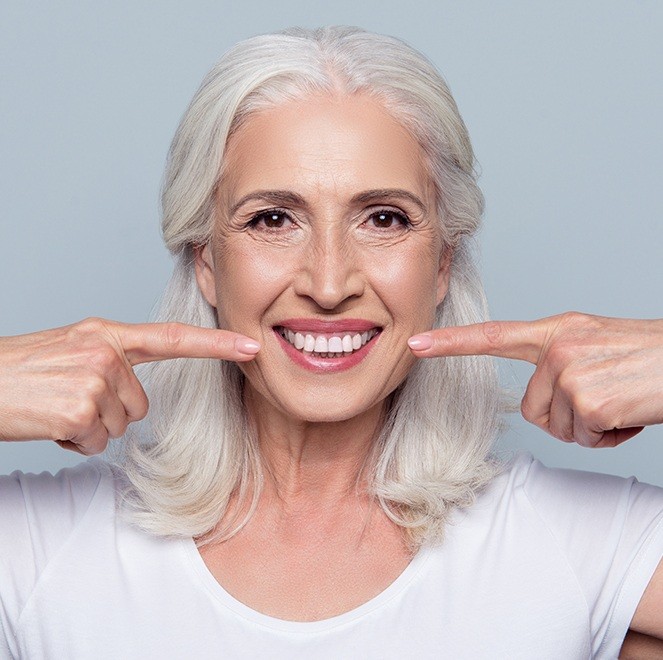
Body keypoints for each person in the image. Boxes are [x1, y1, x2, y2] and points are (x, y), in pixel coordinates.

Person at [1, 26, 662, 659]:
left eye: (383, 219)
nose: (327, 282)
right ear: (204, 259)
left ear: (441, 264)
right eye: (272, 219)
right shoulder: (35, 551)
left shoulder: (577, 547)